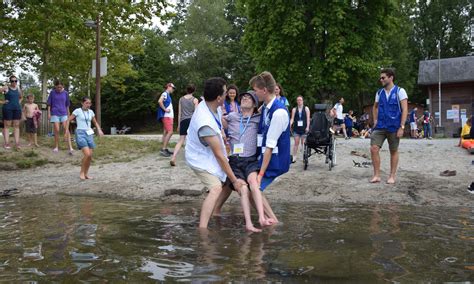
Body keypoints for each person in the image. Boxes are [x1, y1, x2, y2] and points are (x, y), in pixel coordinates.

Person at [185, 77, 246, 229]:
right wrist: (235, 181)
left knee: (226, 180)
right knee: (215, 188)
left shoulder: (214, 106)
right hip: (198, 157)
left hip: (208, 152)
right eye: (225, 93)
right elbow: (219, 155)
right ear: (219, 98)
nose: (227, 94)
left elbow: (222, 122)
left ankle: (216, 211)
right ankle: (202, 229)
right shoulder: (205, 123)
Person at [220, 91, 276, 232]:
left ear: (255, 103)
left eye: (249, 97)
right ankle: (248, 224)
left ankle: (261, 218)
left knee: (254, 183)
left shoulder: (258, 118)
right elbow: (217, 121)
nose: (244, 98)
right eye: (243, 97)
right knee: (243, 189)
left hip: (250, 159)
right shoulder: (232, 116)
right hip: (234, 160)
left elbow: (270, 111)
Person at [250, 71, 291, 215]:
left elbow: (270, 146)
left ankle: (273, 221)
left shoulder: (279, 113)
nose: (255, 94)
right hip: (266, 158)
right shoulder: (266, 108)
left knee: (254, 189)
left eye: (255, 91)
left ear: (264, 90)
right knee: (251, 191)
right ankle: (269, 220)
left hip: (275, 161)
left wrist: (260, 174)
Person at [370, 68, 408, 184]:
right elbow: (375, 107)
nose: (380, 79)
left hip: (394, 126)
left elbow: (405, 109)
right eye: (380, 78)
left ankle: (392, 176)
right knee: (374, 148)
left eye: (383, 77)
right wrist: (375, 119)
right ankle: (376, 175)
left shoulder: (400, 91)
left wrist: (402, 126)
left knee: (393, 150)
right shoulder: (379, 92)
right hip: (380, 126)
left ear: (391, 78)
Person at [66, 96, 104, 180]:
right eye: (87, 103)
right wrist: (66, 132)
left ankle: (86, 174)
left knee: (90, 156)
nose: (88, 105)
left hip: (89, 133)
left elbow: (95, 122)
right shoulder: (77, 111)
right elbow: (68, 120)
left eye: (90, 103)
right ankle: (81, 172)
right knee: (87, 154)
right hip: (80, 133)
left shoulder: (91, 112)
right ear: (82, 103)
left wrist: (99, 129)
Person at [170, 84, 199, 166]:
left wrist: (179, 125)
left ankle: (173, 157)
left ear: (187, 90)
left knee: (181, 140)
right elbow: (196, 114)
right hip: (191, 121)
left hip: (183, 121)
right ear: (194, 91)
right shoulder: (195, 100)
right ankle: (194, 159)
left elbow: (179, 113)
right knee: (194, 140)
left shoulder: (181, 99)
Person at [47, 79, 74, 154]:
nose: (59, 89)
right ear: (55, 86)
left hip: (64, 113)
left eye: (60, 87)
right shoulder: (52, 93)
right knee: (57, 129)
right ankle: (56, 146)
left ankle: (70, 147)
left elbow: (67, 104)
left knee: (66, 129)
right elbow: (49, 104)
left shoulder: (65, 93)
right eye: (57, 87)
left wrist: (69, 114)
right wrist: (49, 113)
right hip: (55, 112)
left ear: (62, 86)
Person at [1, 75, 23, 150]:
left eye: (15, 81)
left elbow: (21, 97)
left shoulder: (18, 88)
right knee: (7, 125)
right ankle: (7, 143)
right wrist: (2, 102)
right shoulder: (6, 87)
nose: (14, 82)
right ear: (10, 81)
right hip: (7, 109)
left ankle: (17, 143)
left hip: (17, 109)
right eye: (12, 81)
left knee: (16, 125)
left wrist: (18, 103)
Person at [157, 83, 176, 157]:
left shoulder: (167, 95)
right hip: (167, 116)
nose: (173, 89)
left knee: (165, 132)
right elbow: (159, 101)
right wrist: (165, 109)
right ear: (168, 87)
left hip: (168, 116)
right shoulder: (165, 93)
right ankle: (164, 149)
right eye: (172, 88)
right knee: (170, 132)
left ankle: (164, 148)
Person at [289, 95, 310, 163]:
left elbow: (308, 119)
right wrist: (290, 124)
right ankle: (294, 157)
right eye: (298, 100)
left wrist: (307, 127)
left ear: (303, 101)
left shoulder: (306, 108)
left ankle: (304, 156)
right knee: (296, 143)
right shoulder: (294, 109)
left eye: (300, 100)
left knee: (303, 143)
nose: (299, 101)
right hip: (296, 129)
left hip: (304, 128)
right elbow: (292, 118)